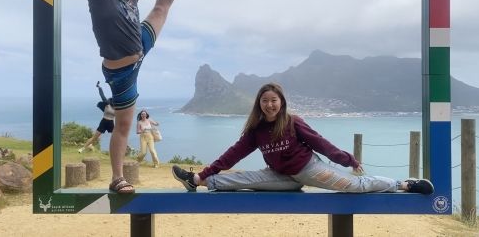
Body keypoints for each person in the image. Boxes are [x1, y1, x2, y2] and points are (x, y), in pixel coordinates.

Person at [172, 83, 434, 195]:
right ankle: (196, 180)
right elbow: (233, 154)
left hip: (310, 170)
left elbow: (321, 143)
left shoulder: (293, 122)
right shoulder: (257, 130)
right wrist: (206, 172)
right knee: (241, 180)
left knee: (355, 187)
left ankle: (404, 184)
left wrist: (348, 160)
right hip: (282, 178)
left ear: (281, 102)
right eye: (265, 101)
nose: (270, 105)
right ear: (259, 104)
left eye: (274, 100)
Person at [87, 0, 185, 193]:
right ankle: (117, 178)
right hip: (121, 72)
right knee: (123, 126)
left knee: (161, 9)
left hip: (140, 46)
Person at [78, 81, 115, 153]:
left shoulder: (117, 109)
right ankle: (82, 148)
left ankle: (127, 148)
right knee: (95, 137)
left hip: (111, 123)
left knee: (118, 136)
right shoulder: (107, 105)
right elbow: (102, 95)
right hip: (104, 122)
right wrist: (99, 87)